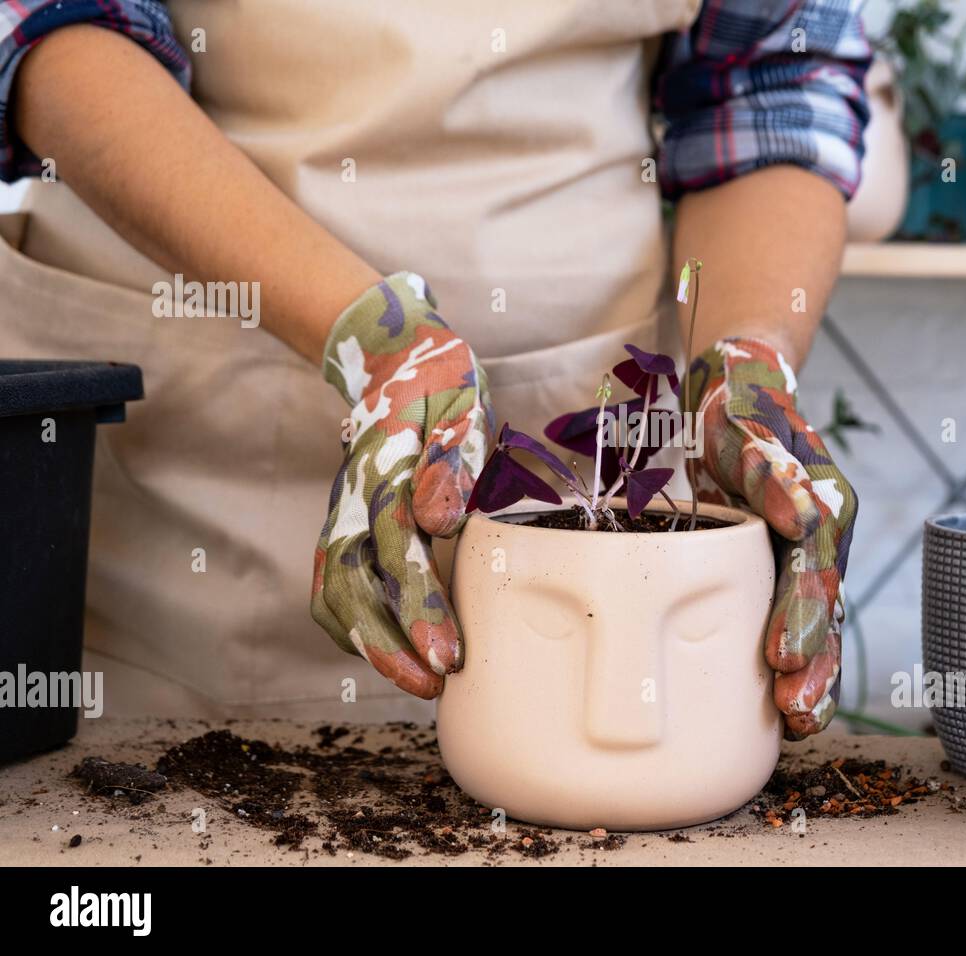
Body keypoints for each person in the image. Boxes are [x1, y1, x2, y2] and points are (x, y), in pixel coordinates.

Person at [1, 0, 866, 738]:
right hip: (183, 404)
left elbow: (769, 86)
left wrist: (748, 351)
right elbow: (51, 23)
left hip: (577, 414)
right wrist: (376, 338)